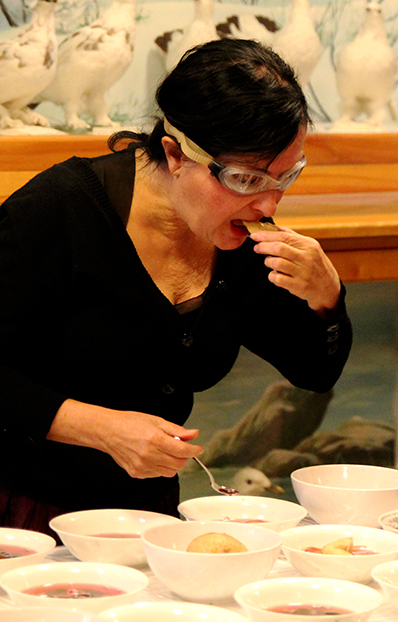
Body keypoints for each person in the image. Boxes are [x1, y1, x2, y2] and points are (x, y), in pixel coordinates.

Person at [0, 38, 352, 536]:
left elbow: (314, 371)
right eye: (245, 179)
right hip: (23, 514)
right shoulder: (60, 209)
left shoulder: (243, 241)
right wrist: (102, 428)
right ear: (175, 153)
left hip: (149, 516)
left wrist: (326, 295)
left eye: (285, 177)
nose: (269, 205)